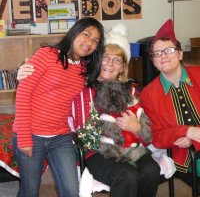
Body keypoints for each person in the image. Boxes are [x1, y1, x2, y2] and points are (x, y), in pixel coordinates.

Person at [17, 24, 160, 197]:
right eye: (105, 57)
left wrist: (136, 128)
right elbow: (51, 82)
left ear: (123, 66)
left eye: (117, 59)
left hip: (131, 146)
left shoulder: (132, 91)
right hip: (97, 151)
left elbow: (147, 132)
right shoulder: (82, 86)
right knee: (127, 176)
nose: (110, 63)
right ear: (97, 59)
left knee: (151, 171)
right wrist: (24, 72)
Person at [12, 17, 104, 197]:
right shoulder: (47, 54)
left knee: (71, 191)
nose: (89, 43)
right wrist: (23, 137)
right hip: (31, 134)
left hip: (60, 136)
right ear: (74, 32)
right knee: (29, 192)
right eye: (86, 35)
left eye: (95, 41)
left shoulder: (85, 68)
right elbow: (23, 94)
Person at [140, 19, 200, 176]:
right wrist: (187, 131)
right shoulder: (148, 94)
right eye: (157, 53)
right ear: (153, 62)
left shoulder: (199, 74)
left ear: (180, 54)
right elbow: (157, 137)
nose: (163, 56)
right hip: (188, 156)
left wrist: (193, 136)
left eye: (169, 50)